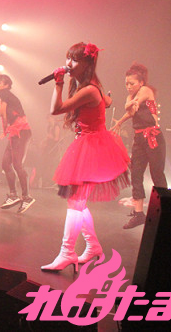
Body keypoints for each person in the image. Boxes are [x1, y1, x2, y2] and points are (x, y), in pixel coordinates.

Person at [41, 42, 130, 272]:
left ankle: (67, 252)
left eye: (74, 60)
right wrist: (108, 101)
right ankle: (92, 247)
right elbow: (105, 101)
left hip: (92, 149)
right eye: (68, 58)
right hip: (89, 146)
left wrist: (58, 83)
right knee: (78, 202)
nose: (68, 64)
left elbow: (56, 109)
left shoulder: (89, 89)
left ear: (87, 63)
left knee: (76, 202)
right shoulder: (91, 87)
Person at [111, 63, 167, 229]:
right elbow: (130, 110)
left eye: (131, 83)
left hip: (152, 137)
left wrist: (130, 104)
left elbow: (132, 105)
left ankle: (165, 209)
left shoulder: (145, 90)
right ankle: (138, 214)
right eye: (126, 83)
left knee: (157, 173)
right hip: (139, 138)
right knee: (135, 172)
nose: (128, 86)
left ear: (141, 82)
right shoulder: (131, 95)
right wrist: (120, 122)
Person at [0, 75, 35, 213]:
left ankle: (26, 197)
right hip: (16, 132)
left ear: (6, 85)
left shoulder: (4, 93)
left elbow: (3, 114)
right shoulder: (2, 95)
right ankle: (13, 195)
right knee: (6, 164)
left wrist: (5, 130)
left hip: (21, 131)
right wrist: (6, 130)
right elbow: (2, 113)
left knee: (17, 164)